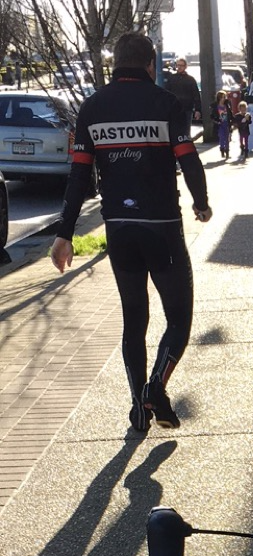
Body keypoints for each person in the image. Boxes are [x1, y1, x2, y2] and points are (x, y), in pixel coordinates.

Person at [49, 32, 212, 433]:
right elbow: (188, 159)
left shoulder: (93, 107)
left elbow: (79, 173)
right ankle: (156, 386)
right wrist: (201, 202)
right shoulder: (165, 104)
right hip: (162, 228)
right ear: (151, 64)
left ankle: (137, 409)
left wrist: (64, 232)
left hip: (119, 231)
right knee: (178, 318)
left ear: (116, 62)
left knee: (133, 319)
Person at [164, 57, 202, 135]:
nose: (179, 67)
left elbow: (196, 95)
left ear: (185, 66)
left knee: (186, 131)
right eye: (178, 65)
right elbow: (166, 93)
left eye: (181, 65)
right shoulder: (171, 78)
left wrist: (197, 110)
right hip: (174, 109)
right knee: (174, 130)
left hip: (187, 109)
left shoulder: (191, 80)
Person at [210, 89, 232, 159]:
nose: (224, 99)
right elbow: (212, 116)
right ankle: (222, 149)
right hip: (220, 124)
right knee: (222, 137)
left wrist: (233, 121)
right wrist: (216, 121)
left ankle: (227, 151)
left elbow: (230, 114)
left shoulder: (227, 106)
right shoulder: (215, 107)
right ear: (219, 98)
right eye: (222, 97)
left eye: (224, 97)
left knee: (227, 138)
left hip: (226, 124)